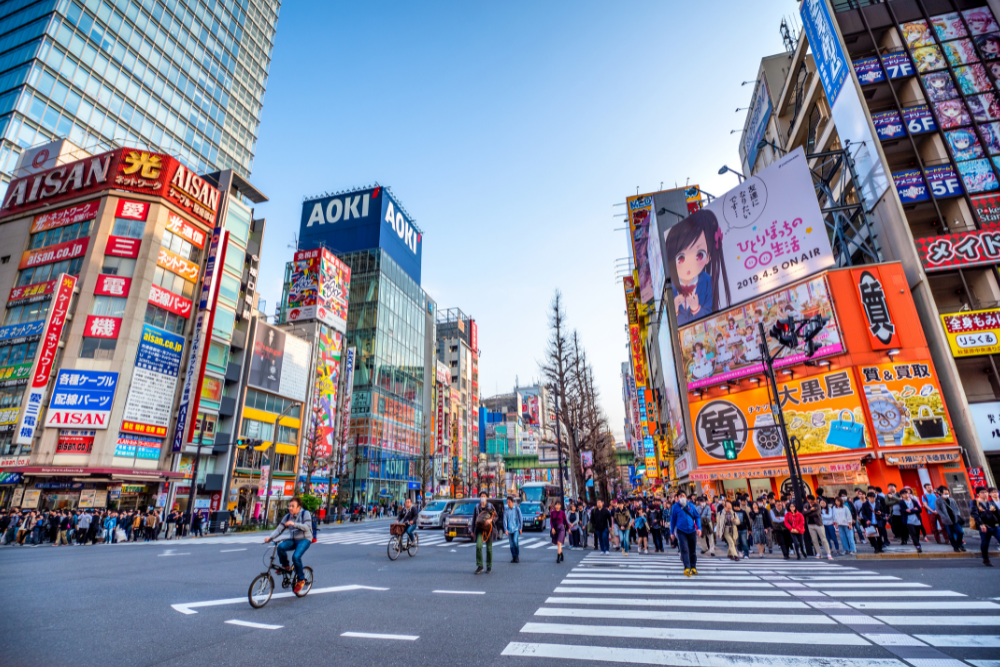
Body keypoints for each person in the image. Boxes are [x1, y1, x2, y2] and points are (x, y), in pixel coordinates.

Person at [264, 496, 313, 593]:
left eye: (292, 506)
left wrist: (294, 524)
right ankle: (285, 566)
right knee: (280, 547)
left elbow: (307, 527)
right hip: (293, 539)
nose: (290, 508)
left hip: (304, 539)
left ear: (298, 507)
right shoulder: (287, 516)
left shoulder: (305, 514)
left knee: (296, 557)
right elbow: (279, 529)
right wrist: (270, 537)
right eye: (289, 506)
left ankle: (301, 579)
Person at [669, 491, 701, 576]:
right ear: (677, 498)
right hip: (681, 531)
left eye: (683, 495)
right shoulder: (675, 507)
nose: (681, 497)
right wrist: (671, 532)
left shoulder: (691, 506)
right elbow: (673, 520)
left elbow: (697, 517)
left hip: (692, 530)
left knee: (692, 549)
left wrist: (699, 528)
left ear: (686, 497)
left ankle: (693, 566)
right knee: (684, 549)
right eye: (680, 496)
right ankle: (687, 567)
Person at [971, 486, 1000, 567]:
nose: (985, 494)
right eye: (982, 492)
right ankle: (985, 559)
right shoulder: (975, 502)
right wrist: (981, 524)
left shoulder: (991, 503)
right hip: (985, 527)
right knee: (985, 543)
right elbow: (974, 514)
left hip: (995, 526)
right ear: (978, 494)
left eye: (986, 492)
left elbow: (997, 513)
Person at [472, 492, 498, 574]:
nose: (483, 497)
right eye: (481, 496)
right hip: (479, 529)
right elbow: (474, 519)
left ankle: (489, 566)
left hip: (489, 528)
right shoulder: (477, 507)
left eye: (484, 496)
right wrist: (472, 530)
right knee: (478, 546)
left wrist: (490, 520)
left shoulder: (490, 506)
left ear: (487, 498)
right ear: (479, 498)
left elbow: (496, 516)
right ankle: (480, 566)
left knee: (489, 549)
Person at [935, 486, 966, 553]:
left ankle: (960, 544)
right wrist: (944, 516)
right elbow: (938, 510)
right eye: (945, 493)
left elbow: (957, 508)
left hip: (955, 518)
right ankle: (955, 546)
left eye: (947, 492)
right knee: (950, 534)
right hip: (946, 520)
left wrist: (957, 514)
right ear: (940, 493)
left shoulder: (952, 499)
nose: (947, 494)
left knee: (960, 532)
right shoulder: (938, 501)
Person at [897, 488, 923, 554]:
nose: (905, 495)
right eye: (904, 494)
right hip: (908, 520)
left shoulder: (914, 500)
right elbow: (904, 511)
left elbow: (919, 510)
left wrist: (910, 510)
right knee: (913, 533)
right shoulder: (901, 502)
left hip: (916, 519)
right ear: (901, 495)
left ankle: (916, 542)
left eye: (906, 493)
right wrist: (914, 509)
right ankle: (918, 546)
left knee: (917, 533)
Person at [503, 497, 523, 563]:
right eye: (507, 502)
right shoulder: (506, 510)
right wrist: (505, 529)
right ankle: (513, 557)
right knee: (511, 544)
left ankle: (516, 556)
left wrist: (520, 528)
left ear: (512, 502)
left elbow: (520, 518)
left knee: (515, 541)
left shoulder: (517, 509)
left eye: (509, 502)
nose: (508, 503)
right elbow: (504, 520)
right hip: (509, 529)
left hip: (516, 529)